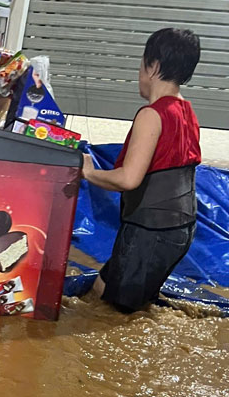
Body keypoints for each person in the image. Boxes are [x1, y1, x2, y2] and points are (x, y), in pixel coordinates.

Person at [82, 28, 202, 313]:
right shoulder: (186, 110)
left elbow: (128, 178)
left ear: (154, 67)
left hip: (150, 231)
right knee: (102, 287)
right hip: (181, 228)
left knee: (115, 314)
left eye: (141, 63)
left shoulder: (152, 115)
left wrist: (88, 172)